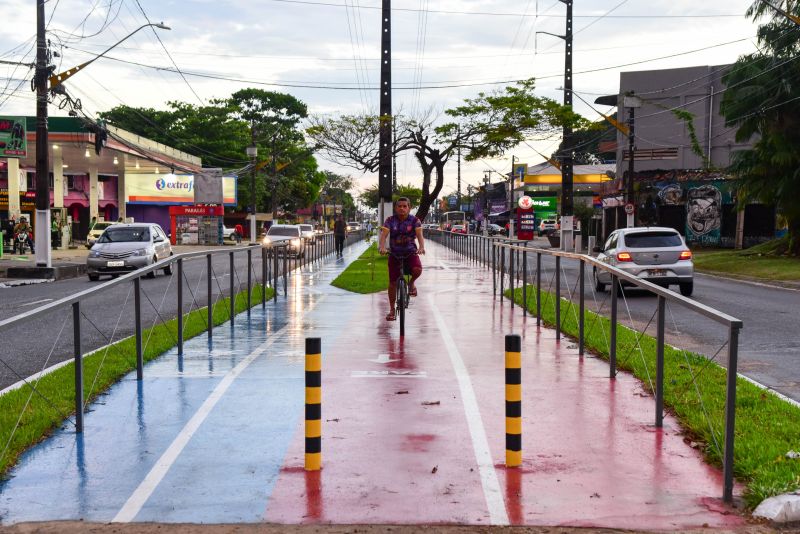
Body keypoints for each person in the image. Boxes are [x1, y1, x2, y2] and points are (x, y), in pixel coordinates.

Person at [378, 197, 425, 321]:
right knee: (392, 282)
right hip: (394, 254)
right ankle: (392, 310)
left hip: (410, 252)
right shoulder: (390, 220)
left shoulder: (415, 220)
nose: (402, 208)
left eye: (405, 206)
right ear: (395, 208)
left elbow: (419, 235)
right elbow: (384, 235)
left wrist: (421, 247)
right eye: (399, 206)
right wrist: (382, 247)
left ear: (409, 208)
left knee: (417, 270)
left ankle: (411, 283)